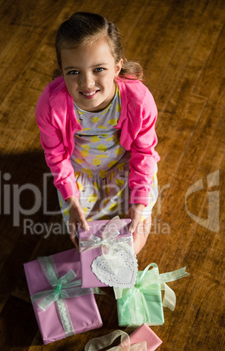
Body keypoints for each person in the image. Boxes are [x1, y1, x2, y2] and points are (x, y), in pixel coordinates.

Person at [36, 12, 160, 254]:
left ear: (117, 66)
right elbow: (56, 156)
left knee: (135, 227)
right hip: (80, 170)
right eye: (73, 72)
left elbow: (144, 152)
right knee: (84, 235)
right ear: (61, 70)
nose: (87, 83)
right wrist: (72, 201)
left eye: (99, 69)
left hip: (126, 165)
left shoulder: (139, 101)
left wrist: (138, 203)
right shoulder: (51, 104)